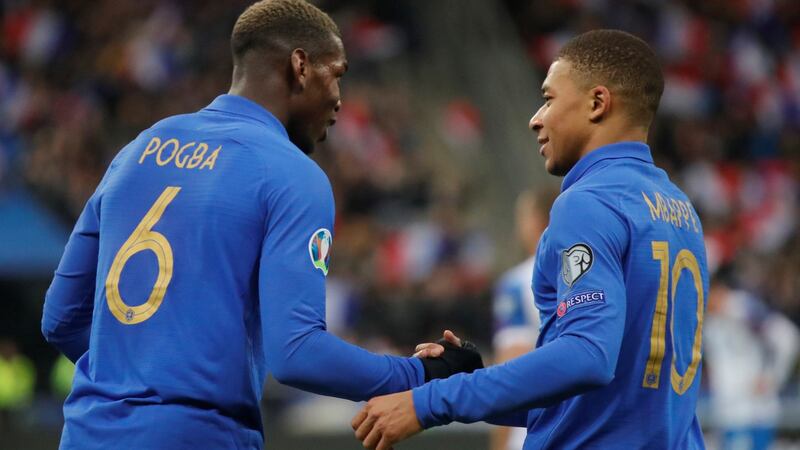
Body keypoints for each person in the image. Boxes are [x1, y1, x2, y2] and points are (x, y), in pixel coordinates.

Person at [41, 1, 479, 449]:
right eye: (338, 73)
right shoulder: (290, 174)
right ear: (300, 65)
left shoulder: (136, 150)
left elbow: (60, 318)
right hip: (197, 436)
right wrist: (421, 374)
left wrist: (134, 387)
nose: (340, 98)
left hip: (86, 432)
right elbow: (297, 354)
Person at [352, 29, 709, 450]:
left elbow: (586, 358)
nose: (536, 117)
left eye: (549, 98)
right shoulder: (678, 208)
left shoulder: (587, 203)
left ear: (597, 103)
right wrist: (469, 380)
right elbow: (602, 398)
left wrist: (428, 401)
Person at [490, 188, 555, 450]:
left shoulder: (517, 283)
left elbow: (509, 370)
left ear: (537, 221)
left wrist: (499, 442)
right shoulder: (589, 273)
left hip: (531, 430)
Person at [704, 274, 799, 450]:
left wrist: (772, 378)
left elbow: (787, 337)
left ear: (719, 290)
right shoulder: (707, 318)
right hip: (728, 411)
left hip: (754, 411)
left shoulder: (743, 309)